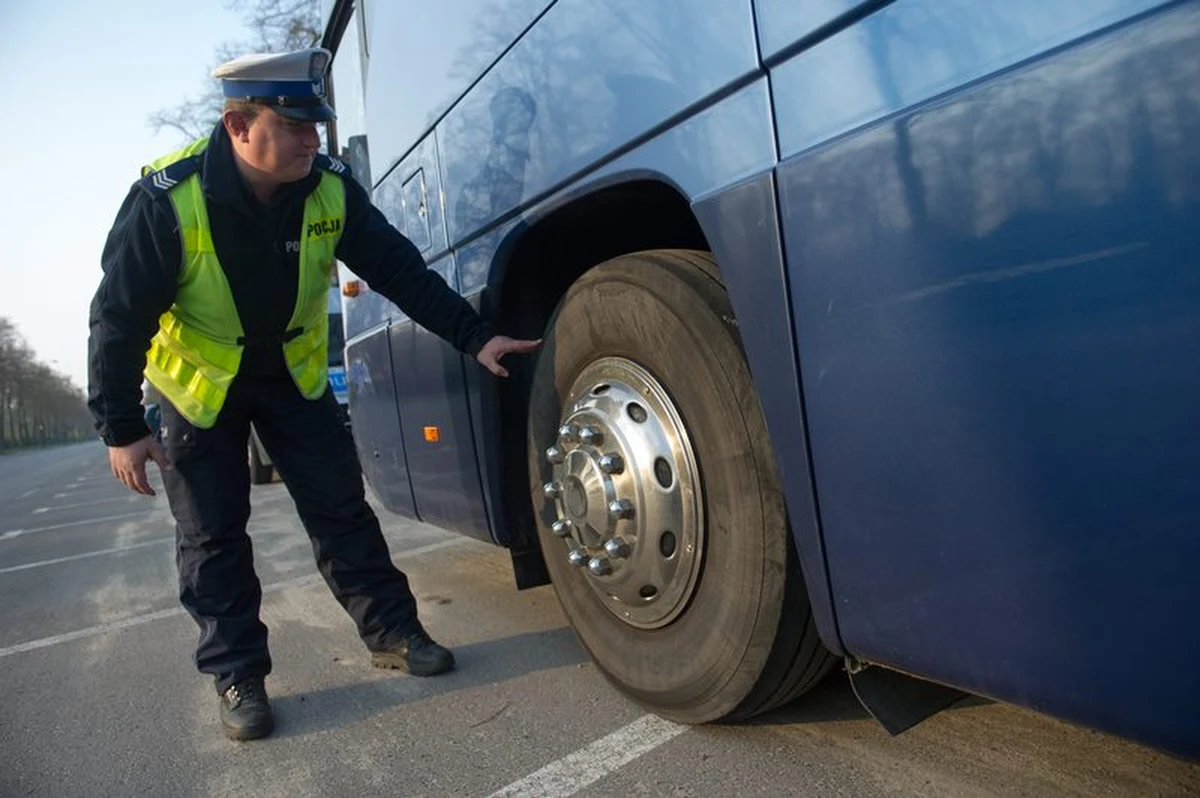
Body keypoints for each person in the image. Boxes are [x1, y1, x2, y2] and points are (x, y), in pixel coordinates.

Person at [87, 48, 540, 742]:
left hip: (291, 379)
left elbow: (397, 269)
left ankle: (393, 631)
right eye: (296, 124)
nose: (314, 139)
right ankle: (237, 673)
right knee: (211, 537)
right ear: (239, 126)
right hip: (198, 389)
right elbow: (117, 320)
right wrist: (120, 426)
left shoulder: (327, 186)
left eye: (318, 123)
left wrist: (475, 336)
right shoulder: (166, 201)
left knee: (341, 511)